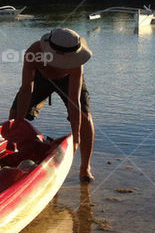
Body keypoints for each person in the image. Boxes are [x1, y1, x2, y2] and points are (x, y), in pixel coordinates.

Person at [8, 28, 94, 181]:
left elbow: (73, 100)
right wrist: (19, 123)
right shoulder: (33, 53)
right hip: (41, 77)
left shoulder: (76, 63)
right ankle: (13, 154)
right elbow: (26, 88)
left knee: (85, 119)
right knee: (14, 115)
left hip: (68, 81)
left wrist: (76, 137)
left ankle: (85, 168)